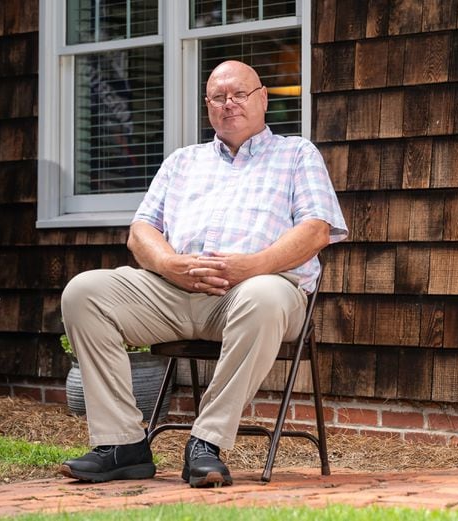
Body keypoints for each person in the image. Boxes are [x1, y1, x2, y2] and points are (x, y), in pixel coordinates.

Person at [58, 60, 348, 488]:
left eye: (239, 94)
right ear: (207, 105)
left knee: (265, 296)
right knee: (85, 292)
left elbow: (317, 230)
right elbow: (141, 231)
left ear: (262, 98)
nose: (229, 104)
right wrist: (168, 264)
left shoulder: (296, 154)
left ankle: (206, 442)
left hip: (254, 293)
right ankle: (123, 446)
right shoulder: (182, 162)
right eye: (218, 97)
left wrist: (252, 266)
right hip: (174, 291)